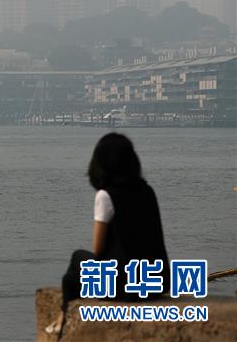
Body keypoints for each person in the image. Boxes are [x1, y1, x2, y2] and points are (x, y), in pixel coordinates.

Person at [45, 132, 169, 336]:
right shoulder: (148, 191)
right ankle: (61, 319)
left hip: (126, 289)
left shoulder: (106, 195)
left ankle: (62, 319)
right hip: (157, 282)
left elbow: (98, 248)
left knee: (76, 261)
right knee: (75, 274)